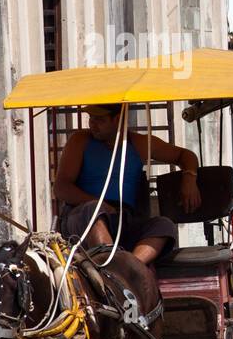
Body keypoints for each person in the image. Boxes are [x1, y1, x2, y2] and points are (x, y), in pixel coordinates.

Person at [55, 104, 199, 266]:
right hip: (83, 217)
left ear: (117, 119)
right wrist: (99, 204)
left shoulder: (139, 143)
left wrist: (189, 178)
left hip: (124, 218)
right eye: (91, 119)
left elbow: (185, 155)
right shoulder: (80, 141)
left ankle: (130, 267)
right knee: (94, 209)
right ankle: (113, 267)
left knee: (164, 225)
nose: (92, 124)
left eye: (99, 119)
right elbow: (61, 188)